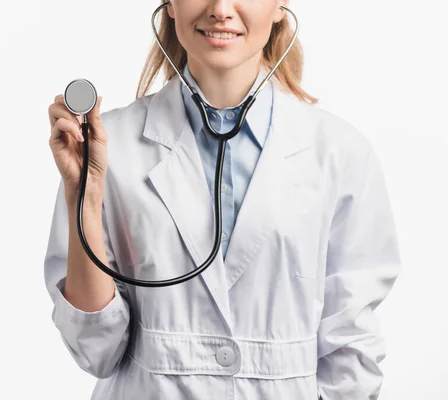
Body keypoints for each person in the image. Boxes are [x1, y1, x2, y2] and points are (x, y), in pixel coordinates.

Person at [44, 0, 401, 399]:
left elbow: (351, 348)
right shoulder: (106, 147)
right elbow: (97, 351)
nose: (220, 9)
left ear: (281, 6)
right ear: (171, 5)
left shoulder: (339, 153)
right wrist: (84, 196)